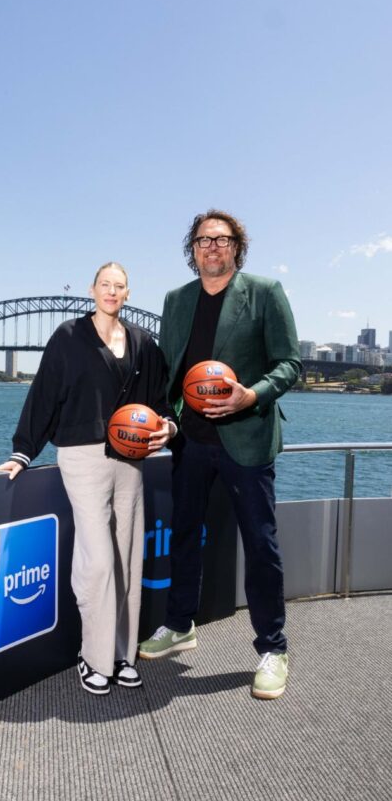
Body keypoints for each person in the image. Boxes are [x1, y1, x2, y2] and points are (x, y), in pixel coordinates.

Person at [138, 210, 301, 700]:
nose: (212, 247)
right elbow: (169, 369)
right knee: (185, 535)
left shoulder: (266, 292)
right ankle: (179, 623)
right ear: (192, 249)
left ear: (237, 247)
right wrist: (165, 417)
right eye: (203, 240)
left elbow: (289, 363)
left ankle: (273, 649)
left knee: (261, 545)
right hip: (190, 441)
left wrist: (252, 395)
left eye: (222, 239)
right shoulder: (176, 300)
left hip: (246, 438)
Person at [0, 262, 176, 695]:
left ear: (128, 293)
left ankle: (122, 655)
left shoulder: (142, 343)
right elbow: (43, 395)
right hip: (81, 455)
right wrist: (23, 450)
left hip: (129, 460)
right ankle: (92, 658)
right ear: (92, 290)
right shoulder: (68, 337)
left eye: (119, 286)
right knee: (97, 562)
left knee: (127, 561)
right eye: (105, 284)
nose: (112, 291)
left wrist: (168, 425)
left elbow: (161, 400)